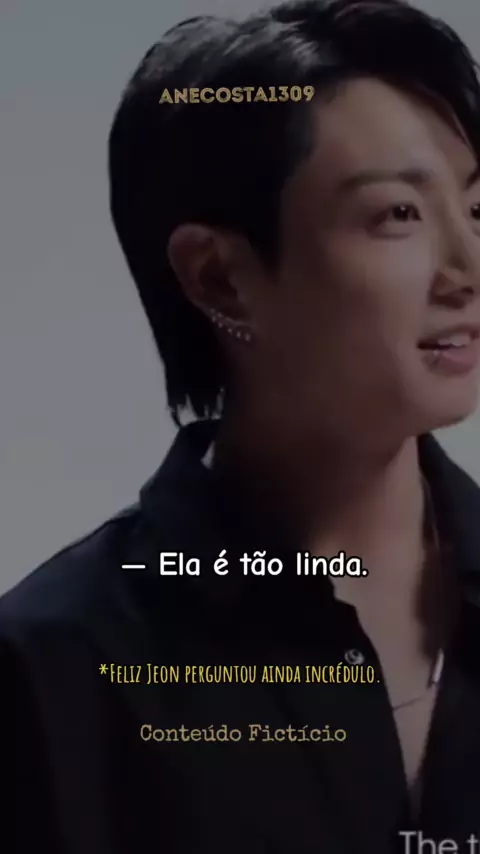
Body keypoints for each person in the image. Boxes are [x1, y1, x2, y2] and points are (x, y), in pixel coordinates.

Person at [3, 0, 480, 851]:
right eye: (398, 214)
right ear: (219, 277)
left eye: (478, 209)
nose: (467, 268)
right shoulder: (53, 669)